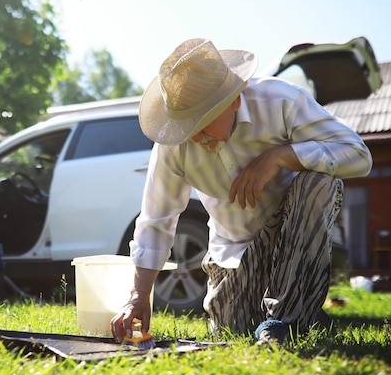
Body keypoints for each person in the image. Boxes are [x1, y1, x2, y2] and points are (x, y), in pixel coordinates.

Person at [110, 38, 372, 345]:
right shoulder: (175, 144)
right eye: (186, 126)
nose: (195, 137)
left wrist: (279, 156)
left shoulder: (281, 101)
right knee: (231, 329)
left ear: (234, 100)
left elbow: (357, 155)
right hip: (234, 250)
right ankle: (303, 315)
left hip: (295, 234)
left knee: (320, 183)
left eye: (203, 123)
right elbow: (156, 219)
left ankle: (283, 321)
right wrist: (138, 296)